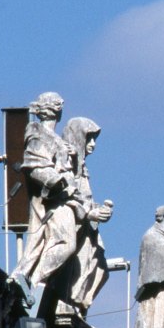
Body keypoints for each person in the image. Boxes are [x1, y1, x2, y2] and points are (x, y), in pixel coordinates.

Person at [8, 93, 77, 313]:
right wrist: (56, 179)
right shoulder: (37, 132)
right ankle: (34, 280)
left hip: (62, 198)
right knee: (66, 244)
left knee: (60, 243)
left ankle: (33, 280)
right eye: (57, 104)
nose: (60, 107)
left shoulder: (56, 138)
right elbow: (33, 165)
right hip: (51, 199)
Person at [47, 117, 113, 316]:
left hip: (84, 226)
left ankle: (76, 305)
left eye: (94, 139)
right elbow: (65, 194)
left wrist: (99, 211)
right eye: (89, 138)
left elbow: (83, 196)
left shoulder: (83, 166)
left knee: (99, 267)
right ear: (78, 137)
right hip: (69, 224)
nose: (92, 144)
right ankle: (61, 299)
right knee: (69, 259)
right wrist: (89, 212)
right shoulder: (66, 159)